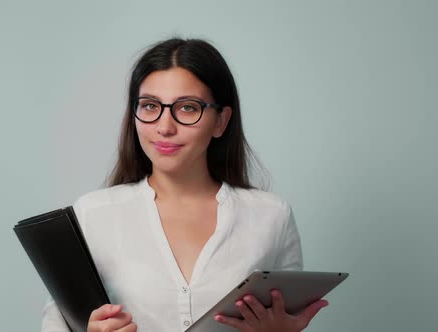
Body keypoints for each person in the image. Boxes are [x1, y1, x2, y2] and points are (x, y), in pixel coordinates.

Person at [41, 38, 328, 332]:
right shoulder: (93, 215)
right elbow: (56, 324)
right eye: (150, 106)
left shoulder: (271, 216)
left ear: (221, 121)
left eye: (188, 108)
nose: (165, 126)